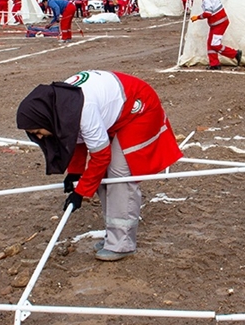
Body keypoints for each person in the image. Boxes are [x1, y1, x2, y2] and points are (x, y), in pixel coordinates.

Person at [16, 70, 183, 261]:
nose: (39, 137)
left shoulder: (84, 109)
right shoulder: (62, 107)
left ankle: (122, 243)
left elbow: (101, 157)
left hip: (138, 108)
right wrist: (75, 173)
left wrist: (81, 192)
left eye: (38, 131)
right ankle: (114, 236)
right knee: (101, 178)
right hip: (115, 111)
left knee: (118, 175)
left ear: (46, 118)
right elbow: (75, 138)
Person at [190, 0, 242, 70]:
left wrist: (197, 17)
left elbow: (208, 13)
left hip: (219, 23)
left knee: (214, 44)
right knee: (210, 44)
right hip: (217, 23)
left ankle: (235, 53)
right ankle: (214, 64)